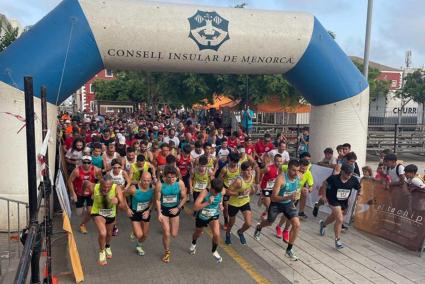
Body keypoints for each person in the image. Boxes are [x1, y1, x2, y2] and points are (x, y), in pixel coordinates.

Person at [254, 159, 301, 261]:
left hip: (288, 204)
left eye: (298, 170)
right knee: (269, 222)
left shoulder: (298, 177)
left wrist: (293, 200)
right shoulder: (281, 179)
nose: (296, 173)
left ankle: (289, 249)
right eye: (293, 170)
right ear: (288, 169)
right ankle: (259, 227)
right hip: (276, 204)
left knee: (297, 224)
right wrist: (288, 197)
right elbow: (273, 197)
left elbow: (295, 191)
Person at [319, 163, 360, 249]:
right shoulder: (334, 178)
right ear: (342, 171)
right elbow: (324, 184)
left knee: (335, 216)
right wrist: (324, 196)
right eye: (347, 173)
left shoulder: (353, 180)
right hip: (333, 199)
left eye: (351, 173)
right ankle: (337, 240)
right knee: (340, 219)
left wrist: (361, 194)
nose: (349, 175)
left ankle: (323, 224)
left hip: (344, 202)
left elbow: (359, 188)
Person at [155, 165, 187, 263]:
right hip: (164, 210)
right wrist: (159, 213)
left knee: (174, 234)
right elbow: (157, 200)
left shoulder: (180, 183)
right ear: (164, 176)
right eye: (169, 177)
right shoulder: (160, 184)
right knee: (167, 233)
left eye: (173, 177)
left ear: (176, 176)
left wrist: (178, 208)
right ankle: (167, 252)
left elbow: (184, 197)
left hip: (175, 210)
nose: (171, 179)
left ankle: (166, 235)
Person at [90, 175, 124, 265]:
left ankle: (107, 246)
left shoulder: (116, 188)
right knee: (102, 233)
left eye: (108, 187)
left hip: (110, 214)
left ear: (112, 185)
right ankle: (101, 252)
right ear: (100, 184)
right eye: (104, 186)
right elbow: (85, 183)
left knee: (109, 234)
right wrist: (83, 191)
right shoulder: (95, 186)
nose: (106, 189)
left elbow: (121, 201)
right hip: (98, 213)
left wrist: (117, 201)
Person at [189, 178, 225, 263]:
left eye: (218, 192)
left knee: (216, 235)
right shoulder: (204, 193)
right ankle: (193, 243)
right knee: (198, 233)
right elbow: (195, 207)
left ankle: (214, 251)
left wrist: (220, 204)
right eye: (215, 192)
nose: (216, 194)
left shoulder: (221, 191)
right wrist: (207, 203)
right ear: (211, 188)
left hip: (214, 215)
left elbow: (221, 196)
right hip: (202, 217)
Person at [68, 155, 102, 233]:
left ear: (91, 162)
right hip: (79, 193)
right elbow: (70, 181)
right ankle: (85, 211)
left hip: (90, 193)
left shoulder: (95, 170)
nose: (86, 164)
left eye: (88, 162)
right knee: (79, 212)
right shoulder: (76, 171)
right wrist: (73, 193)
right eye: (84, 162)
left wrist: (95, 192)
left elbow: (101, 181)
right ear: (81, 162)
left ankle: (82, 225)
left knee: (90, 211)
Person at [225, 161, 256, 245]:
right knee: (231, 223)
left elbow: (251, 188)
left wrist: (252, 189)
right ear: (242, 171)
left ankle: (240, 232)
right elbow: (227, 192)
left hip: (245, 202)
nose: (249, 172)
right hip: (234, 204)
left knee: (249, 223)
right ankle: (228, 234)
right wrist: (239, 193)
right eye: (247, 170)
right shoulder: (238, 181)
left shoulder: (252, 176)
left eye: (251, 170)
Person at [124, 172, 154, 256]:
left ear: (151, 180)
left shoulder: (153, 188)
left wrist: (149, 210)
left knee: (145, 234)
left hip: (145, 212)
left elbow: (153, 200)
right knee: (139, 234)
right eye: (144, 180)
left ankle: (139, 246)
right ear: (140, 179)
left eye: (148, 181)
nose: (146, 183)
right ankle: (134, 232)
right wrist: (127, 208)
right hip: (135, 212)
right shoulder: (133, 189)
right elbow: (123, 196)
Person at [219, 152, 240, 230]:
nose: (234, 163)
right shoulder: (225, 169)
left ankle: (231, 219)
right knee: (226, 208)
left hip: (235, 190)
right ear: (229, 159)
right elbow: (219, 180)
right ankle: (226, 221)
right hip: (226, 189)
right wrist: (222, 189)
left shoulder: (239, 167)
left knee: (234, 208)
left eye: (236, 162)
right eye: (233, 161)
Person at [259, 154, 283, 219]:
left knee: (273, 204)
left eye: (280, 161)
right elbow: (260, 172)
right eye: (277, 161)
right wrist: (259, 181)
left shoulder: (281, 169)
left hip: (273, 189)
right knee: (269, 205)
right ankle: (266, 215)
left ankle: (265, 211)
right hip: (265, 188)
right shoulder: (268, 168)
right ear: (274, 161)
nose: (279, 163)